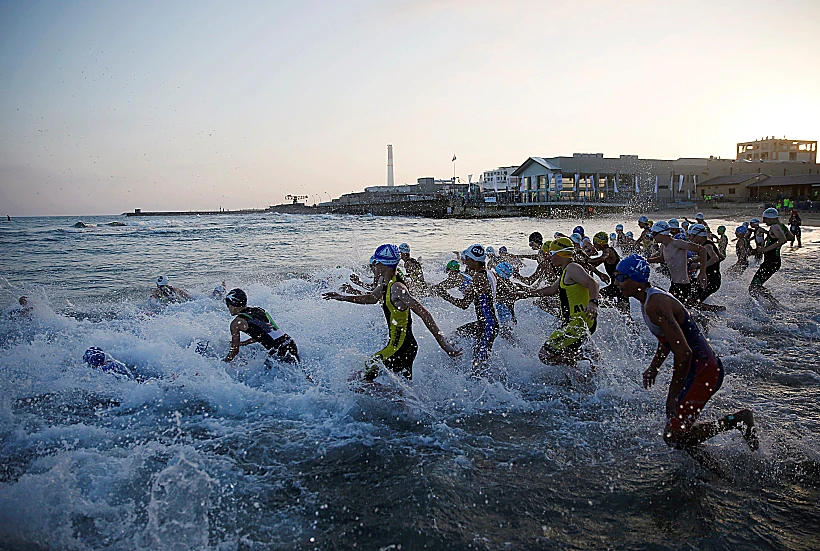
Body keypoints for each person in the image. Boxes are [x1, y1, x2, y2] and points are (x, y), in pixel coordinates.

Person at [613, 255, 758, 472]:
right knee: (678, 432)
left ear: (637, 279)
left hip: (704, 372)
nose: (617, 283)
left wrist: (672, 394)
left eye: (621, 277)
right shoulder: (648, 301)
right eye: (615, 277)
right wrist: (654, 366)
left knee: (673, 435)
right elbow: (668, 340)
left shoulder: (655, 304)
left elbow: (683, 352)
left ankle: (737, 420)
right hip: (700, 369)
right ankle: (715, 470)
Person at [324, 244, 460, 381]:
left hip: (400, 348)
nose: (374, 265)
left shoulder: (397, 288)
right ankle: (403, 400)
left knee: (355, 380)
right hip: (403, 347)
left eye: (377, 262)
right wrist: (342, 297)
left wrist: (443, 343)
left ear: (385, 265)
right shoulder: (385, 282)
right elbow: (372, 298)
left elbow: (424, 313)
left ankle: (399, 396)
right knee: (395, 387)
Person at [520, 238, 600, 368]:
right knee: (564, 353)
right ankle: (580, 380)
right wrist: (524, 294)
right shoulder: (566, 270)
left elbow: (593, 283)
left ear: (560, 254)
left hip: (578, 323)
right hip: (577, 322)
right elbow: (552, 289)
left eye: (551, 254)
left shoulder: (573, 267)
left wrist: (593, 303)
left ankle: (586, 355)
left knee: (545, 355)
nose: (550, 258)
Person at [434, 244, 499, 374]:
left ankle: (490, 388)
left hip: (487, 326)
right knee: (453, 337)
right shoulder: (490, 273)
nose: (465, 261)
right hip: (486, 324)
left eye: (467, 259)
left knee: (479, 364)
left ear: (475, 261)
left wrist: (444, 295)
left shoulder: (478, 277)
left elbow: (463, 304)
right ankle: (460, 372)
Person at [223, 288, 301, 367]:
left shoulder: (236, 323)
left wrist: (224, 362)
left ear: (233, 305)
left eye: (227, 304)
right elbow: (266, 332)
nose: (228, 307)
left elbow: (234, 350)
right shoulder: (259, 310)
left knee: (267, 375)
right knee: (301, 372)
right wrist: (245, 343)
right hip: (289, 341)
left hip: (278, 349)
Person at [647, 220, 707, 305]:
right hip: (674, 284)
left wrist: (702, 272)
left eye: (654, 234)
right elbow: (661, 259)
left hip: (683, 285)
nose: (653, 237)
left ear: (662, 234)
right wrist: (646, 260)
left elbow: (702, 250)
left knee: (675, 311)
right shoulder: (663, 246)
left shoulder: (677, 243)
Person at [749, 208, 790, 300]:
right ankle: (771, 303)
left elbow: (783, 240)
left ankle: (772, 303)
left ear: (772, 218)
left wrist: (765, 249)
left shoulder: (774, 227)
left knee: (753, 287)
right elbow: (791, 237)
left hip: (771, 262)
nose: (764, 221)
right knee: (756, 286)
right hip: (774, 261)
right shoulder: (781, 226)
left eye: (765, 218)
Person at [687, 224, 725, 311]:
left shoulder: (706, 245)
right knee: (689, 293)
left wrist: (700, 265)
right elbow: (721, 257)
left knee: (692, 302)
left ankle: (718, 309)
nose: (691, 238)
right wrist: (695, 259)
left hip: (710, 280)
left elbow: (715, 258)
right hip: (714, 278)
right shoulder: (708, 243)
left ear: (700, 236)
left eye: (693, 236)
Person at [589, 232, 629, 313]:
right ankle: (616, 306)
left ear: (601, 243)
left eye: (595, 243)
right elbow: (596, 263)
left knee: (597, 296)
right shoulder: (609, 250)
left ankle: (615, 306)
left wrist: (587, 260)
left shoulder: (608, 251)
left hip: (618, 286)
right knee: (626, 314)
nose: (594, 246)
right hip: (619, 285)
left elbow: (601, 259)